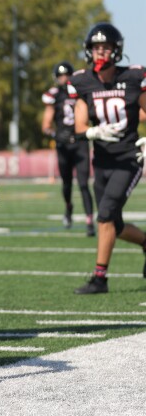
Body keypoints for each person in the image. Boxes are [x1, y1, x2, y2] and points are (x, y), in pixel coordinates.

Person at [69, 22, 146, 294]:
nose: (100, 52)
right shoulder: (82, 81)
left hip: (129, 159)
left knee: (104, 216)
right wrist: (93, 131)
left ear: (116, 50)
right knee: (114, 223)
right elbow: (79, 125)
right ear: (89, 50)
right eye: (96, 47)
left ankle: (100, 277)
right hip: (101, 161)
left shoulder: (133, 77)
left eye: (106, 47)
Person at [42, 61, 95, 236]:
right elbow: (46, 126)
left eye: (66, 75)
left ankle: (89, 221)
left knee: (83, 183)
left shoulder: (81, 92)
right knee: (67, 184)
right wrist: (55, 135)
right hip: (63, 145)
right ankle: (68, 207)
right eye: (61, 76)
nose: (64, 78)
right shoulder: (54, 95)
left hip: (80, 143)